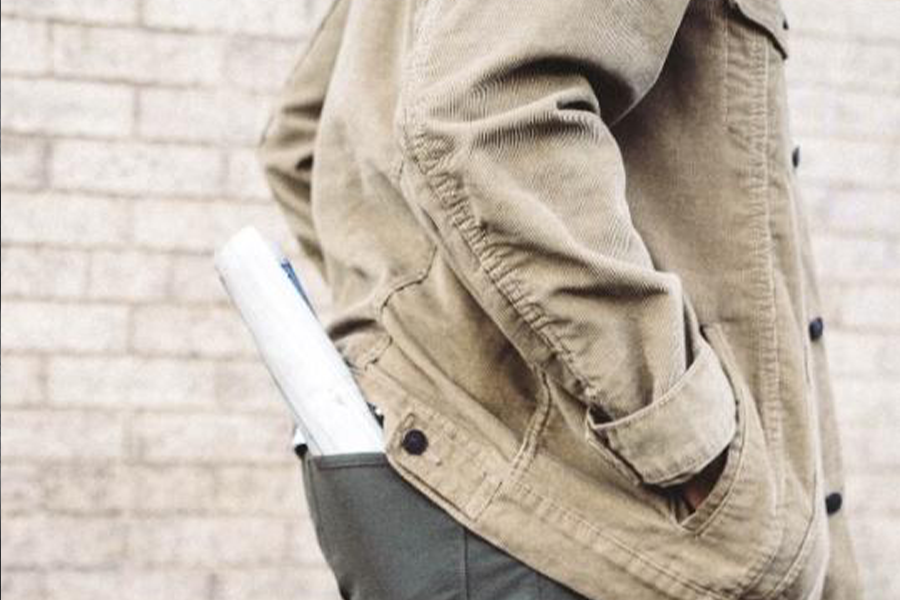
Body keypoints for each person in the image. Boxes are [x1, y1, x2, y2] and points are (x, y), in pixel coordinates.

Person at [257, 0, 864, 598]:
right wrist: (687, 442)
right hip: (585, 536)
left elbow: (303, 141)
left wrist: (427, 364)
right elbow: (484, 116)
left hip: (474, 517)